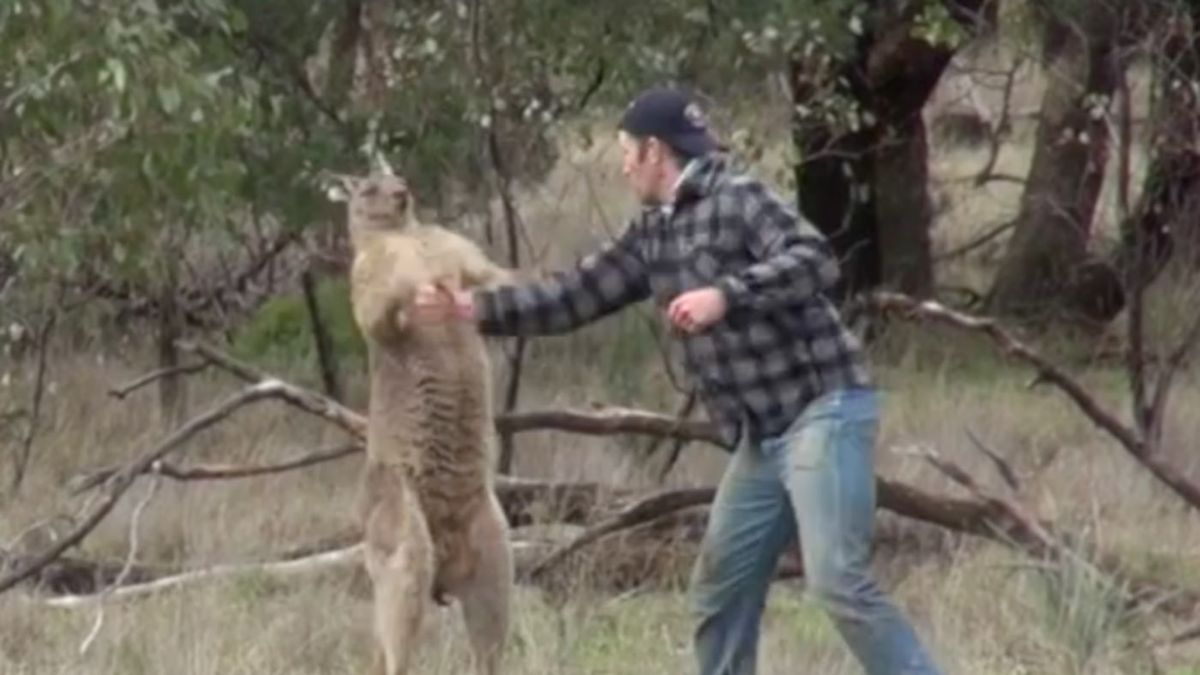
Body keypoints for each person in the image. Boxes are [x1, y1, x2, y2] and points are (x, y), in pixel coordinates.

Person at [412, 86, 943, 675]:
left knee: (838, 580)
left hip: (824, 410)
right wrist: (473, 310)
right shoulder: (653, 234)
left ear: (654, 151)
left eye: (625, 151)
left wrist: (727, 295)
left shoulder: (737, 198)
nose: (621, 165)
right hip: (762, 437)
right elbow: (574, 296)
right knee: (719, 594)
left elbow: (814, 259)